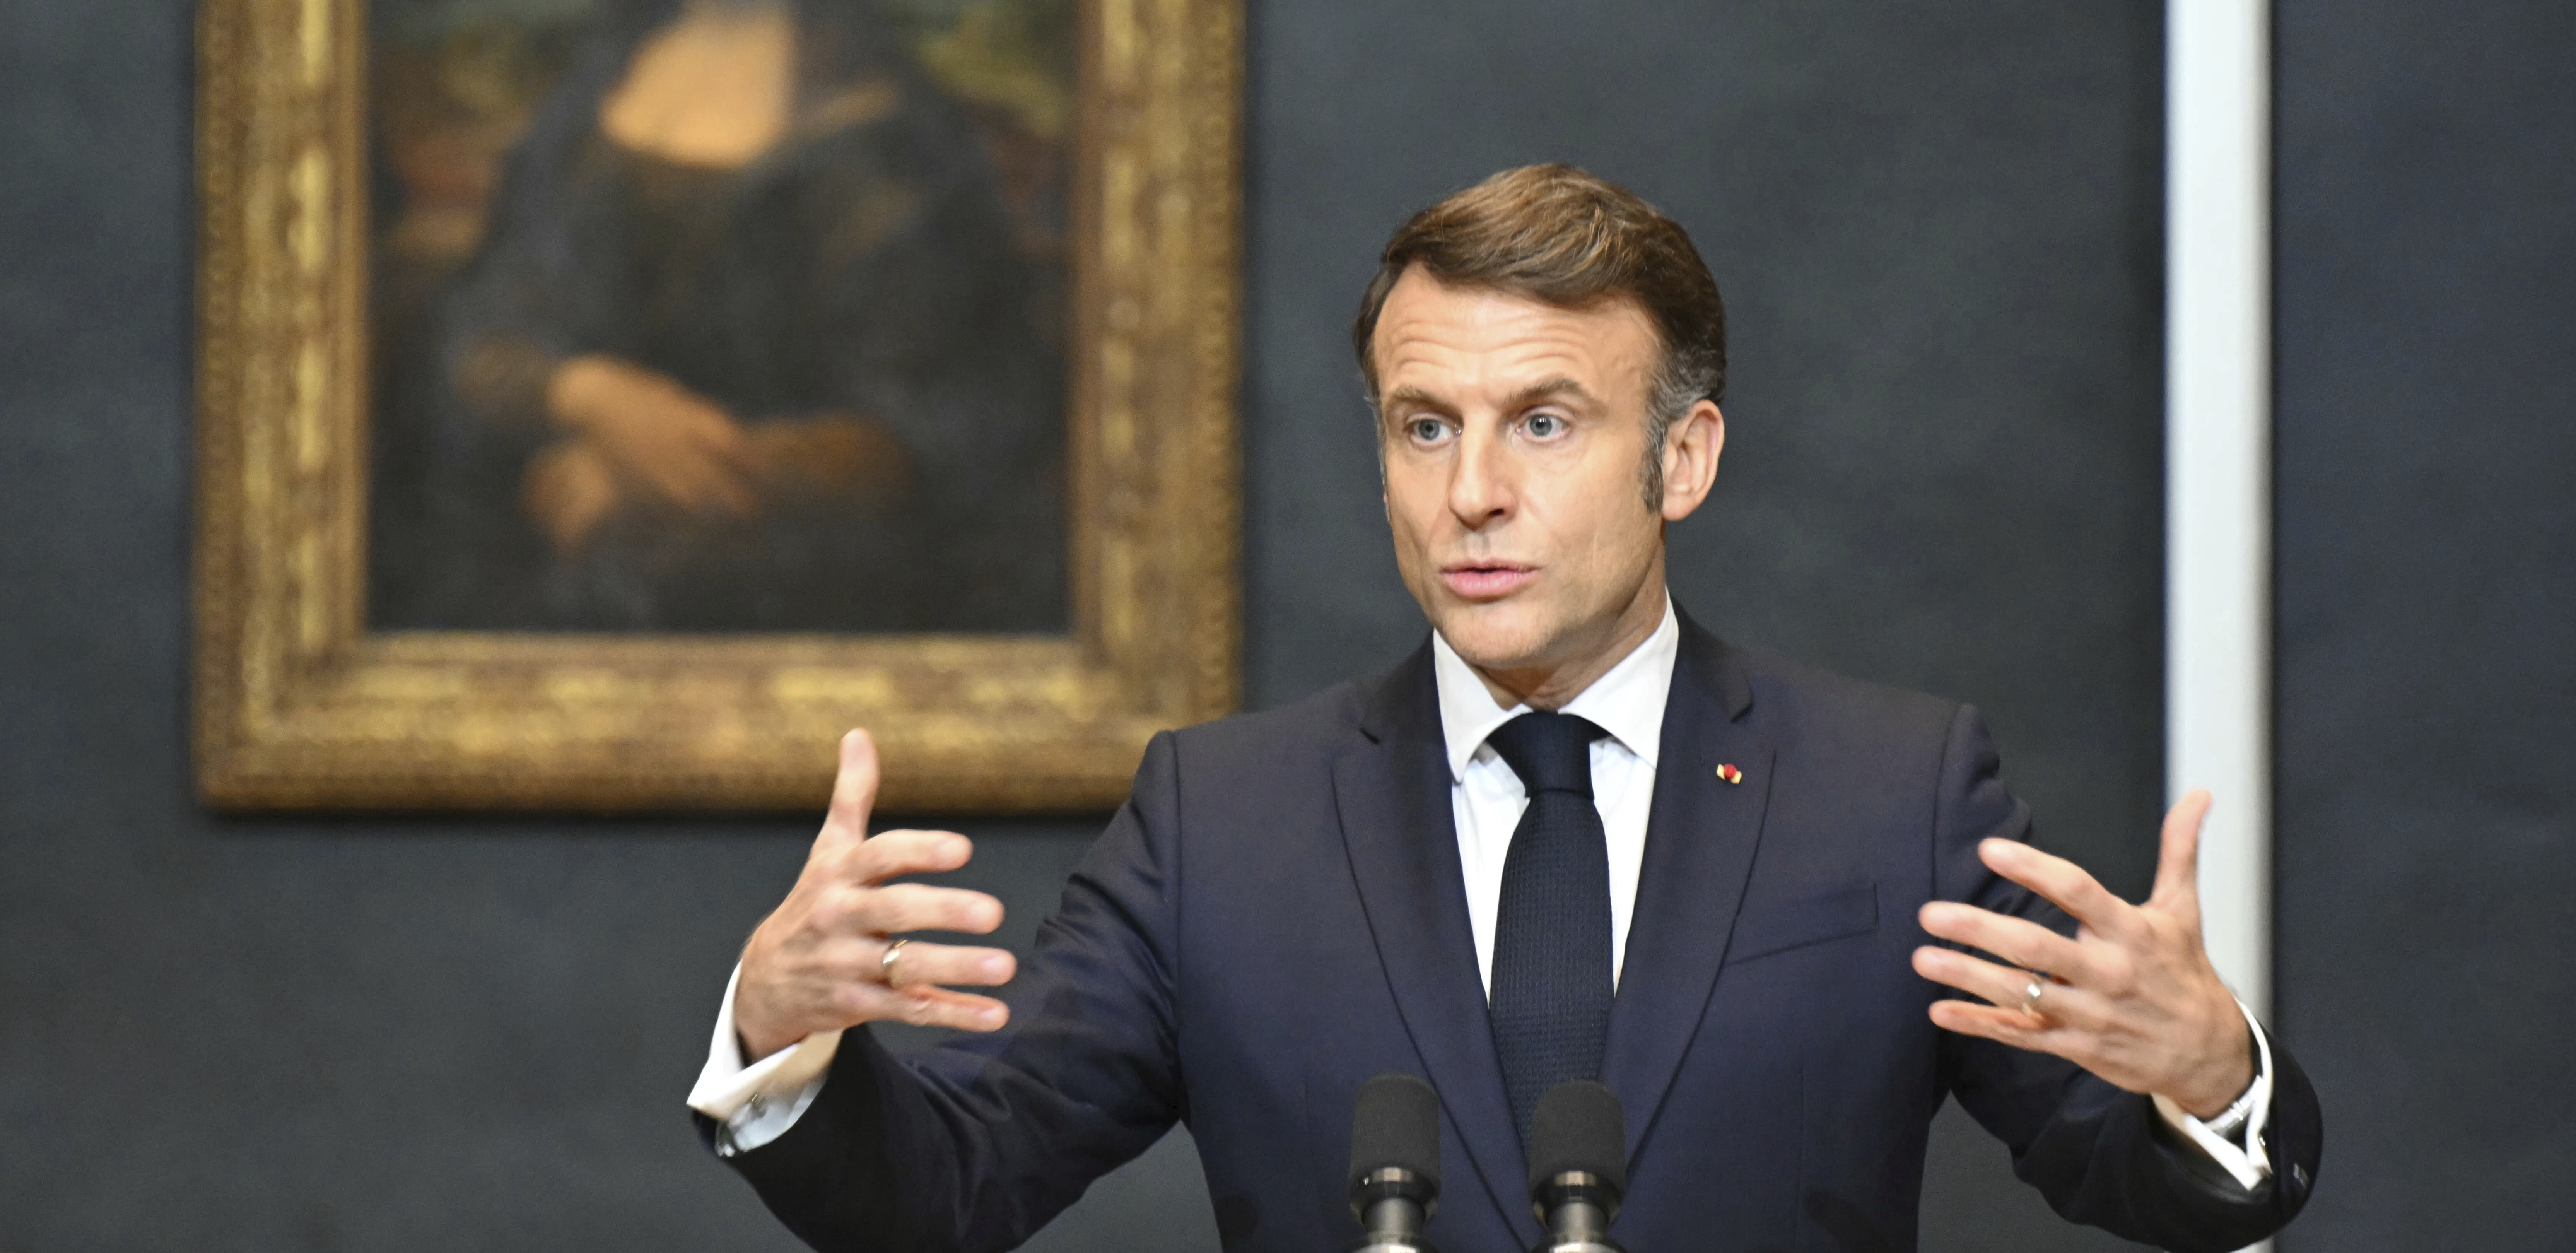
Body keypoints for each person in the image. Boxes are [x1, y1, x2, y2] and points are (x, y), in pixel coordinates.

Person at [687, 165, 2321, 1251]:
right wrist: (781, 1041)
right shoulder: (1220, 823)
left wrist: (2205, 1072)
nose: (1469, 490)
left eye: (1541, 421)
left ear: (1679, 456)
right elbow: (946, 1186)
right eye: (1420, 425)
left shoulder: (1890, 794)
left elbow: (2137, 1175)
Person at [389, 0, 1061, 634]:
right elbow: (479, 329)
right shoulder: (594, 97)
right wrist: (590, 397)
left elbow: (943, 430)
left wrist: (663, 477)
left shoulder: (885, 138)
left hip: (810, 613)